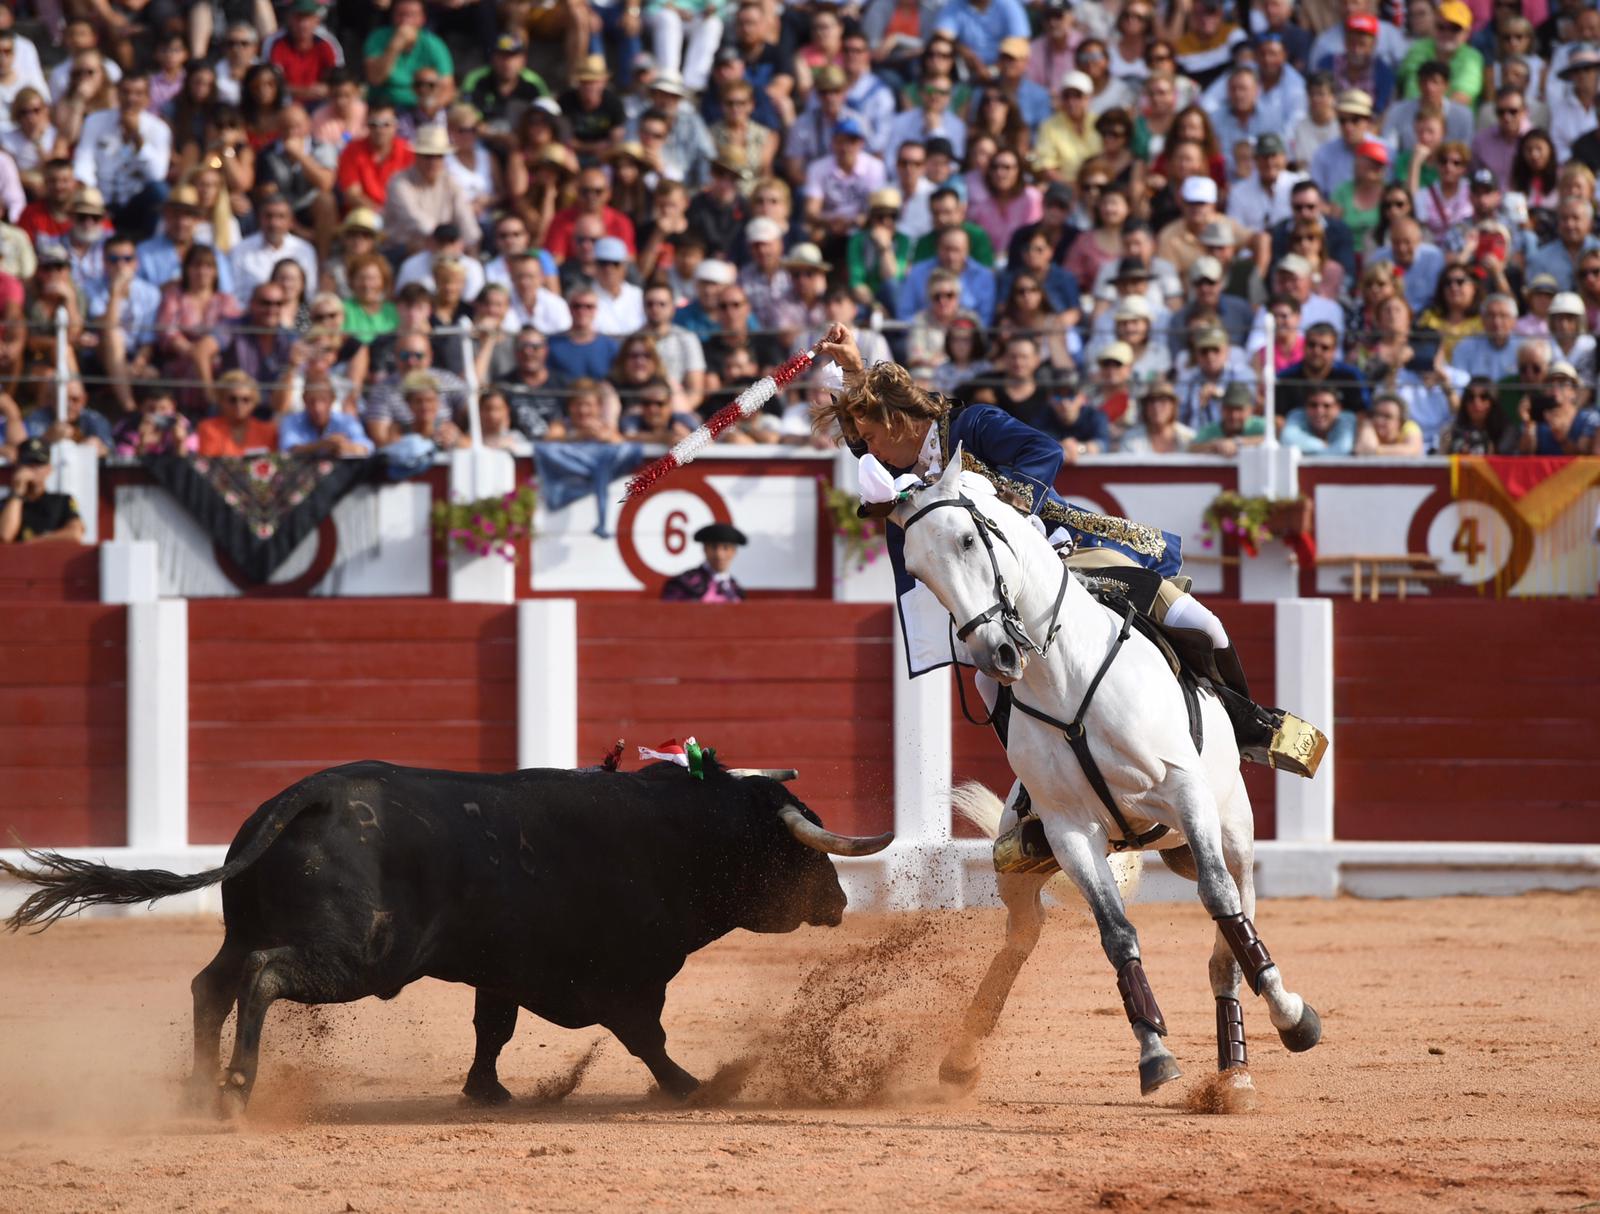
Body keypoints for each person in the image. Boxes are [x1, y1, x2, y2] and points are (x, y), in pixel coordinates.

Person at [809, 321, 1306, 775]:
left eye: (871, 437)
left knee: (1200, 622)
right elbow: (862, 432)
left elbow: (1043, 451)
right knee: (988, 681)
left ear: (897, 423)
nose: (868, 452)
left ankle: (1246, 723)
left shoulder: (971, 426)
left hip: (1066, 554)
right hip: (997, 595)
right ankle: (1034, 795)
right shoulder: (903, 474)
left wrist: (1008, 504)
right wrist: (854, 369)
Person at [1, 438, 83, 545]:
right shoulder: (5, 504)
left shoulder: (62, 501)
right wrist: (17, 493)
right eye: (28, 463)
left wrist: (34, 543)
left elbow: (75, 533)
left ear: (49, 469)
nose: (33, 469)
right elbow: (5, 536)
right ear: (17, 467)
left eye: (39, 464)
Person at [660, 521, 748, 601]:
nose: (719, 554)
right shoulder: (684, 584)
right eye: (714, 547)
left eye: (726, 548)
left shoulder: (735, 588)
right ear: (705, 549)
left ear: (734, 552)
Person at [196, 372, 279, 457]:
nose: (239, 405)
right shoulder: (208, 429)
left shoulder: (268, 431)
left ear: (254, 402)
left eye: (246, 400)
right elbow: (208, 462)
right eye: (233, 399)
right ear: (221, 400)